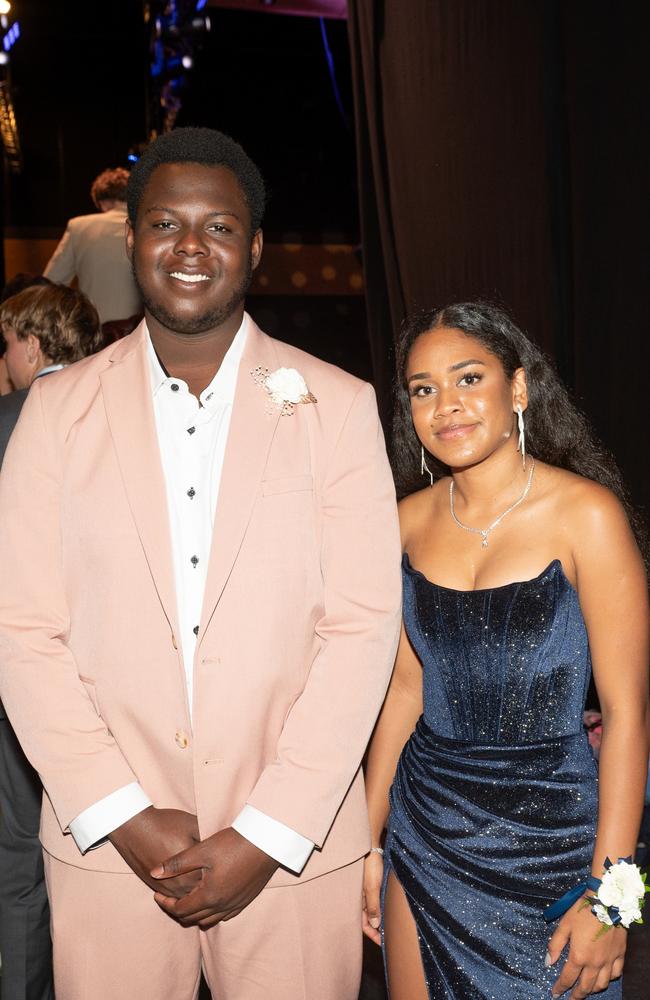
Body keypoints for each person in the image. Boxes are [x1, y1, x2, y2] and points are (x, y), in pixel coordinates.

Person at [0, 127, 401, 1000]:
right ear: (132, 238)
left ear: (254, 247)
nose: (190, 246)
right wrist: (121, 814)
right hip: (109, 851)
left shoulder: (338, 407)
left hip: (294, 854)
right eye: (165, 224)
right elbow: (22, 632)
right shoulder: (54, 413)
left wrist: (267, 832)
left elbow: (362, 632)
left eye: (218, 227)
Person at [362, 302, 649, 1000]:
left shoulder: (588, 514)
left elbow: (628, 713)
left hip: (558, 845)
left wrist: (618, 901)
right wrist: (363, 848)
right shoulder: (400, 523)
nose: (447, 405)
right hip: (425, 831)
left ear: (517, 389)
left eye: (468, 379)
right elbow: (404, 692)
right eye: (423, 389)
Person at [0, 282, 101, 1000]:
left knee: (16, 859)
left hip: (18, 674)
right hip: (110, 679)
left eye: (7, 341)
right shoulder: (123, 416)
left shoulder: (7, 418)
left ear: (32, 344)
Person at [43, 166, 142, 324]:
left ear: (101, 202)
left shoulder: (78, 226)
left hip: (93, 332)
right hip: (140, 333)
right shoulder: (148, 226)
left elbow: (50, 284)